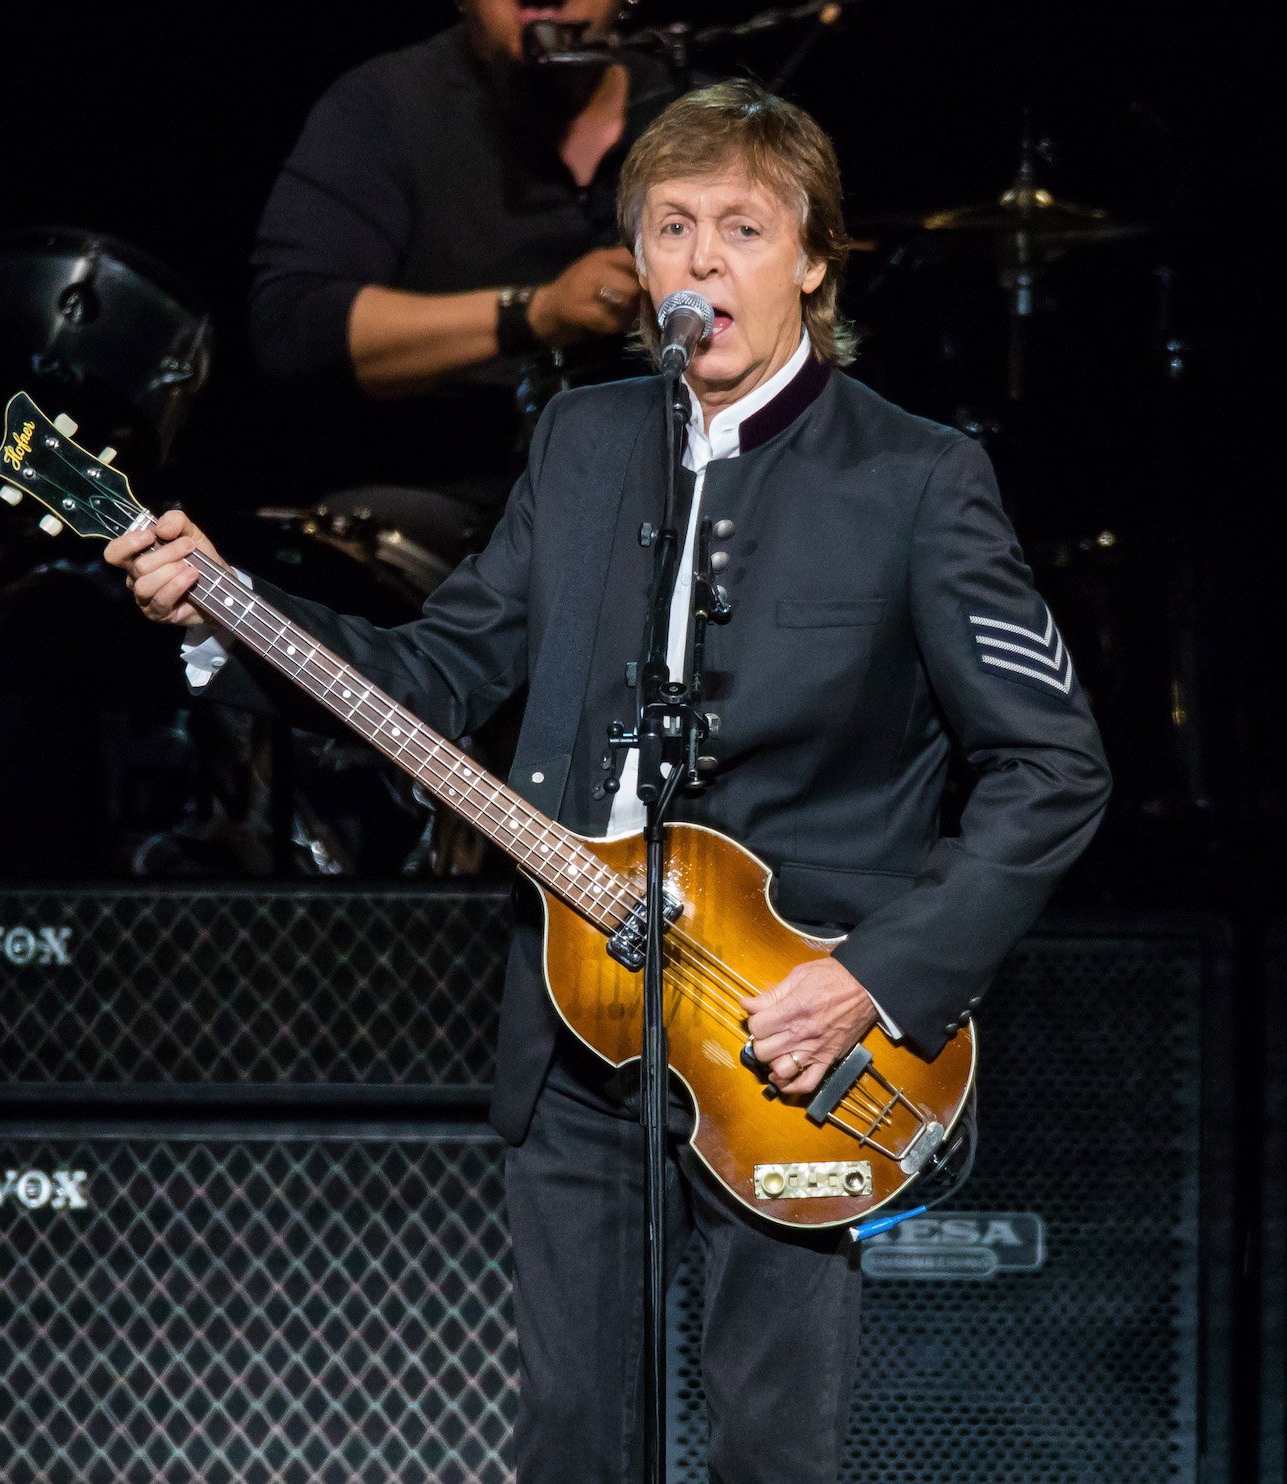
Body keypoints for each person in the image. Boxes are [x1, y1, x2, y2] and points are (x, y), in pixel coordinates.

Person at [115, 81, 1111, 1483]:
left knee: (772, 1449)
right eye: (670, 227)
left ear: (814, 260)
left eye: (743, 230)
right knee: (574, 1443)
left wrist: (876, 978)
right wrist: (229, 608)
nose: (700, 263)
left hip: (793, 1040)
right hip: (579, 1027)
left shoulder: (915, 477)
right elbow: (439, 676)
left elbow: (1051, 768)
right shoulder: (584, 445)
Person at [249, 0, 687, 510]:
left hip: (657, 500)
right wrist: (537, 311)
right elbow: (292, 327)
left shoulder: (698, 112)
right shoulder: (386, 103)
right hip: (429, 501)